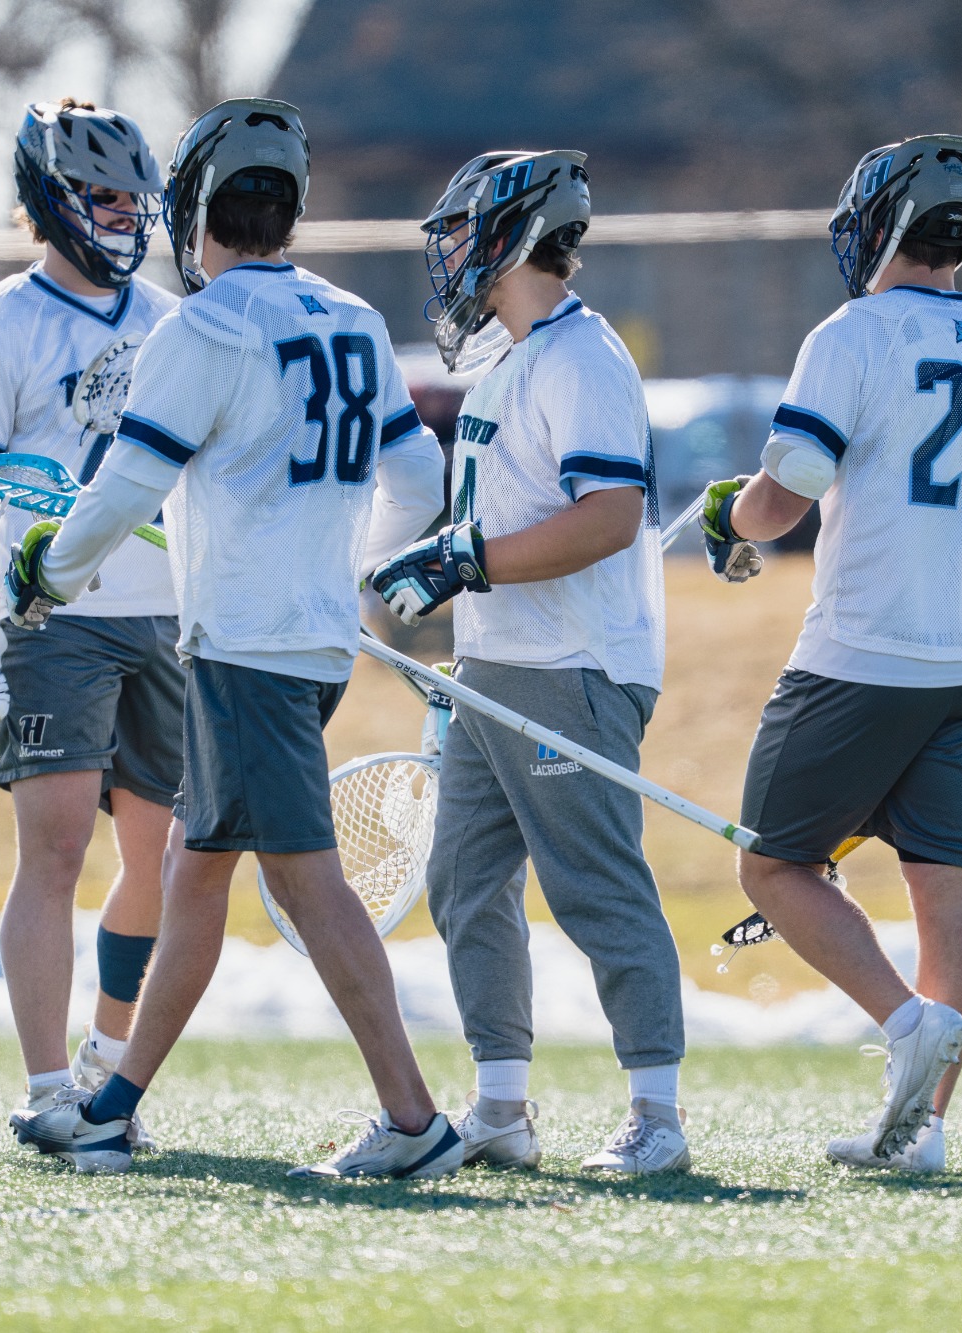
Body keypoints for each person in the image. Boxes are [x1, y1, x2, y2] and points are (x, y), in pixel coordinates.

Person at [3, 98, 459, 1179]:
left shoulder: (199, 326)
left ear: (193, 209)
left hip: (247, 648)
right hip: (306, 642)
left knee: (306, 883)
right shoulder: (347, 316)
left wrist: (47, 573)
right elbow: (418, 480)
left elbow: (123, 486)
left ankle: (412, 1120)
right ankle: (111, 1103)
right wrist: (337, 566)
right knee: (198, 873)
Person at [700, 134, 962, 1172]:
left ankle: (903, 1022)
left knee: (773, 865)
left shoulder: (850, 335)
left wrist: (732, 514)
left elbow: (780, 504)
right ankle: (923, 1128)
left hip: (860, 654)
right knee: (944, 895)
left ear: (877, 223)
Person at [370, 149, 688, 1176]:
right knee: (464, 882)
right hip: (495, 668)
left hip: (572, 665)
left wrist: (465, 559)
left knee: (595, 887)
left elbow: (606, 518)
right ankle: (499, 1104)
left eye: (461, 233)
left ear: (509, 233)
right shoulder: (510, 360)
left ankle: (656, 1110)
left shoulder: (581, 357)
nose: (450, 257)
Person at [0, 98, 184, 1149]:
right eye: (101, 198)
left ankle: (106, 1063)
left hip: (167, 616)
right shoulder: (4, 328)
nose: (121, 218)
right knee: (58, 846)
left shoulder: (172, 322)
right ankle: (44, 1089)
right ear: (52, 200)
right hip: (50, 616)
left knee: (161, 860)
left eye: (132, 200)